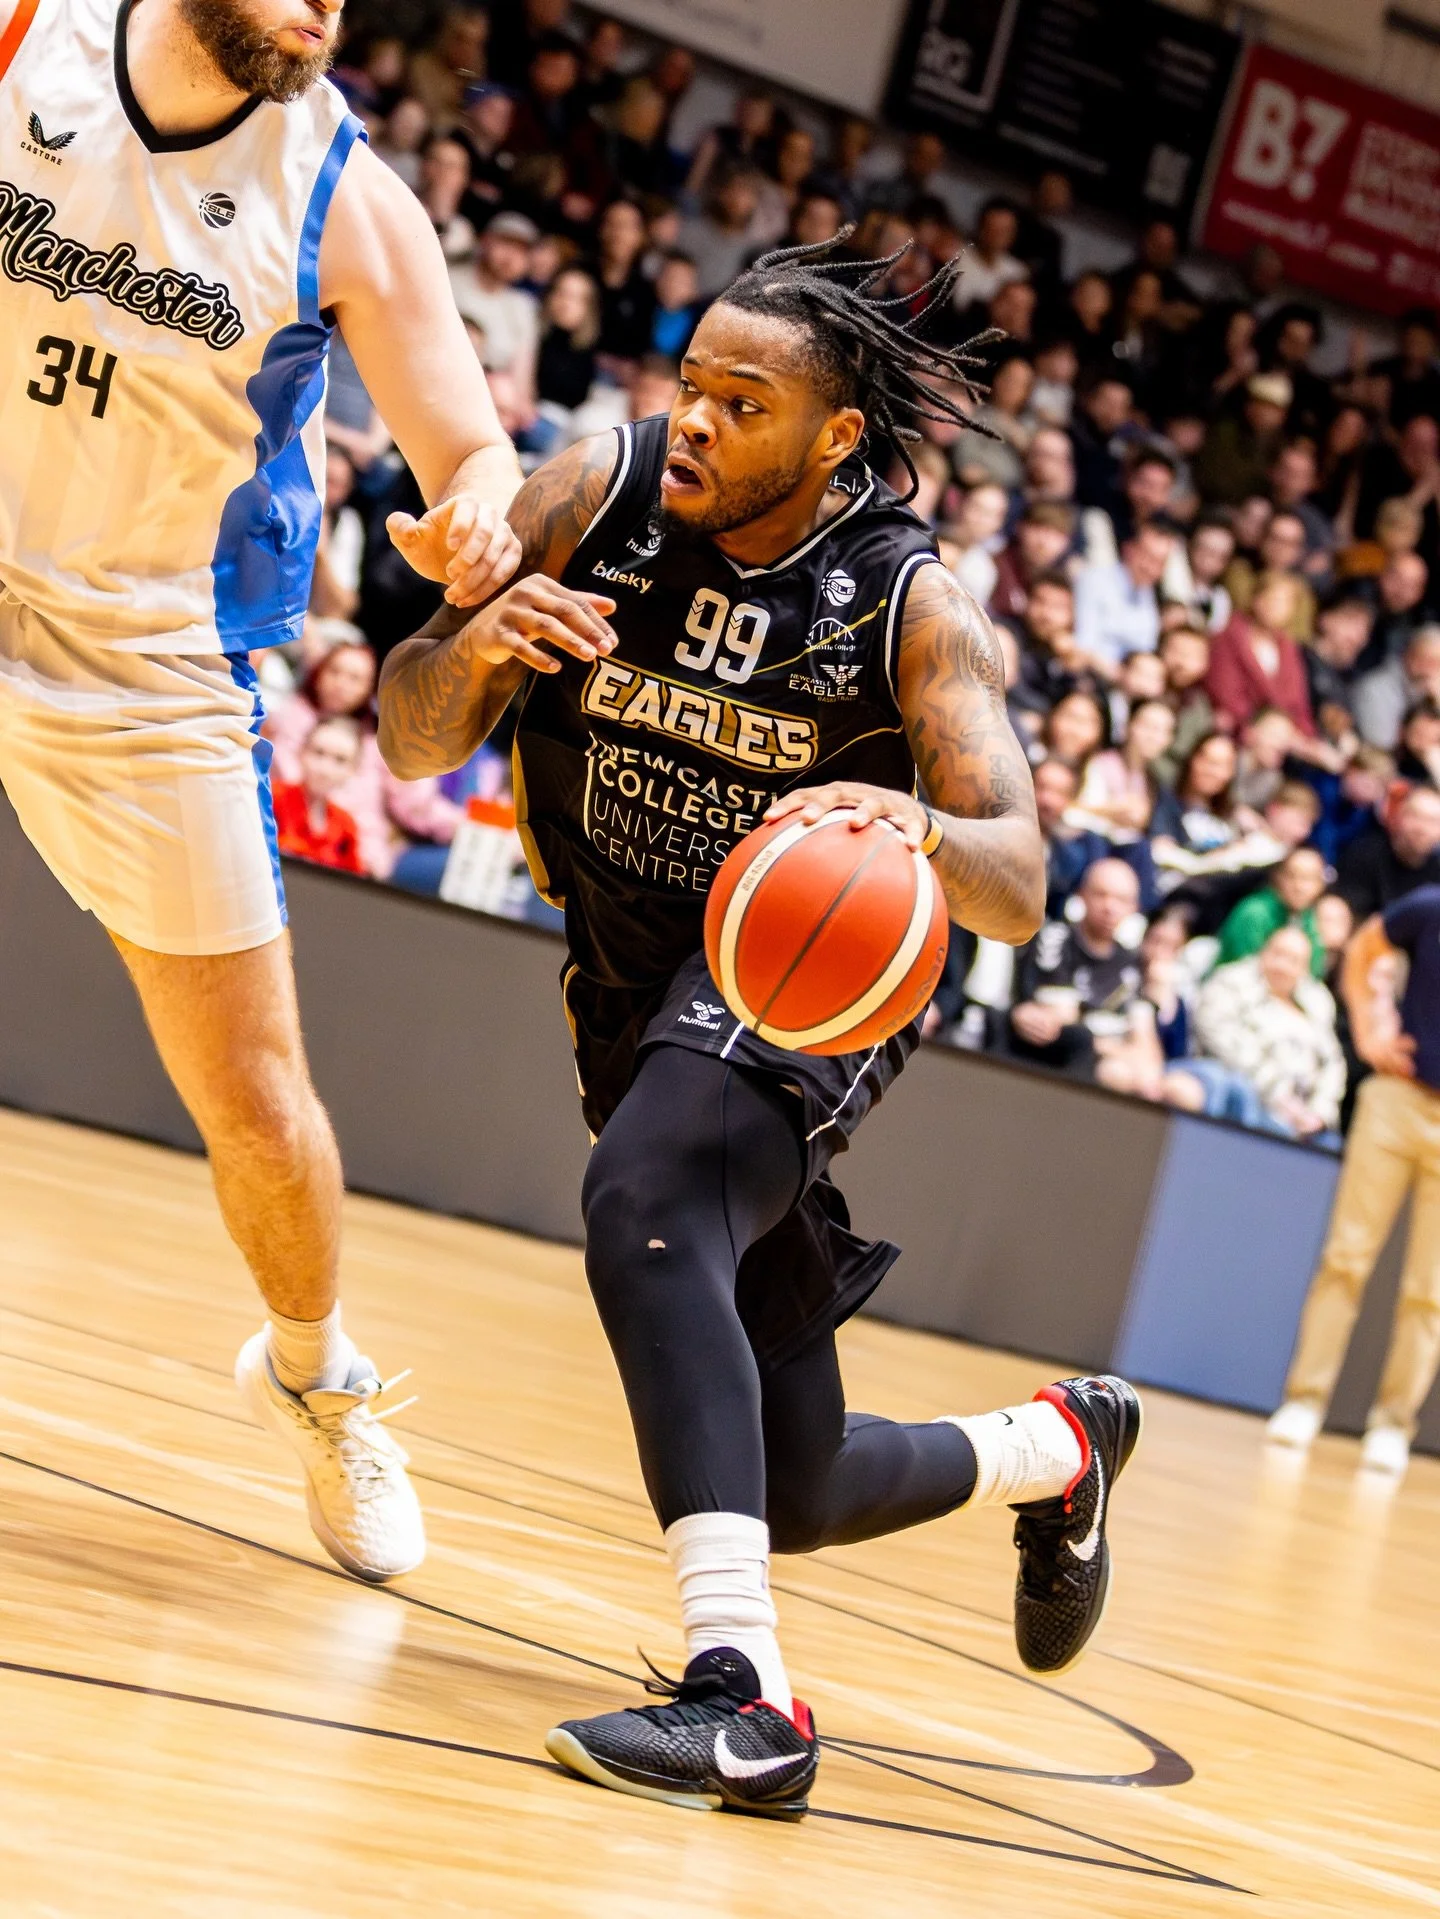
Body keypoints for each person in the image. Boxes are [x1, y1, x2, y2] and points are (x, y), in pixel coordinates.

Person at [378, 234, 1144, 1816]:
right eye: (693, 388)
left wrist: (914, 826)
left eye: (744, 400)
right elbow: (405, 730)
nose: (702, 422)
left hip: (804, 978)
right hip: (632, 987)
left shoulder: (914, 604)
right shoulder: (591, 493)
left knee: (646, 1198)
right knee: (794, 1478)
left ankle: (745, 1699)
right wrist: (479, 642)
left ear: (836, 435)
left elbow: (1016, 875)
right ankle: (1061, 1446)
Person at [0, 0, 528, 1584]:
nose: (326, 8)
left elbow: (476, 453)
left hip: (145, 663)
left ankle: (316, 1371)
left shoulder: (349, 201)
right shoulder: (27, 38)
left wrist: (477, 530)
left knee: (262, 1112)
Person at [1268, 893, 1440, 1476]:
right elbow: (1366, 946)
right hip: (1398, 1096)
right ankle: (1303, 1401)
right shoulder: (1431, 906)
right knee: (1346, 1257)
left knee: (1431, 1291)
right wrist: (1370, 1027)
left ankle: (1393, 1426)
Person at [1192, 928, 1345, 1142]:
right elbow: (1227, 1045)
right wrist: (1283, 1100)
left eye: (1293, 960)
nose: (1282, 966)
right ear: (1263, 951)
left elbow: (1333, 1063)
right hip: (1253, 1096)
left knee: (1331, 1145)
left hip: (1307, 1114)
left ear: (1305, 969)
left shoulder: (1317, 1001)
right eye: (1278, 954)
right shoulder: (1230, 983)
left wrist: (1319, 1113)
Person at [999, 859, 1145, 1080]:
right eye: (1101, 894)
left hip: (1106, 1064)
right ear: (1082, 894)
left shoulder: (1133, 964)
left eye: (1121, 900)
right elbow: (1061, 1019)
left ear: (1134, 908)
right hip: (1049, 1057)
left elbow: (1145, 1047)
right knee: (1108, 1067)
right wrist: (1115, 1047)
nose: (1109, 907)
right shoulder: (1055, 938)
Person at [1073, 521, 1175, 672]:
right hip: (1089, 675)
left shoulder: (1147, 595)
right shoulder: (1094, 580)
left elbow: (1145, 649)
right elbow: (1083, 645)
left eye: (1160, 562)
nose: (1151, 568)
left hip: (1129, 682)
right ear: (1128, 549)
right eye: (1147, 556)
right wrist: (1119, 675)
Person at [272, 716, 367, 874]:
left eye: (340, 760)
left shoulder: (346, 825)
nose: (325, 769)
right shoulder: (271, 797)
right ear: (301, 752)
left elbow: (353, 885)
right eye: (318, 753)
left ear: (354, 769)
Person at [1216, 846, 1329, 974]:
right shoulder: (1254, 912)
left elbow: (1313, 973)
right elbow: (1241, 970)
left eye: (1308, 878)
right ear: (1278, 877)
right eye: (1292, 876)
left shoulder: (1308, 920)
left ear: (1320, 885)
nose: (1299, 886)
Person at [1336, 784, 1440, 919]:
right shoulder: (1364, 855)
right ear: (1399, 817)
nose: (1421, 828)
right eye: (1415, 816)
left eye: (1433, 821)